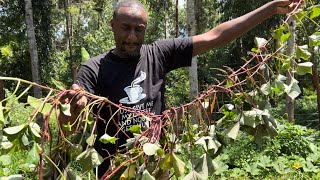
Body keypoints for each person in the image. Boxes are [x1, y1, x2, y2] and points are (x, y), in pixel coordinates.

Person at [60, 0, 301, 178]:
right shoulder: (94, 68)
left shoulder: (158, 54)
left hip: (157, 165)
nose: (132, 37)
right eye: (125, 28)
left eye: (139, 29)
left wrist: (269, 9)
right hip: (114, 169)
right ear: (112, 25)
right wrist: (70, 108)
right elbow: (68, 123)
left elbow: (215, 36)